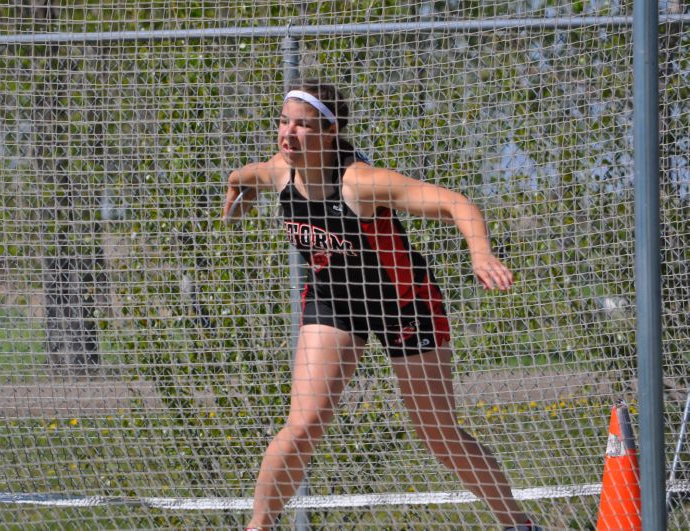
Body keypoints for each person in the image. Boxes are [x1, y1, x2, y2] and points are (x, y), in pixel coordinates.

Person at [223, 81, 540, 530]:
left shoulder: (361, 183)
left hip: (403, 303)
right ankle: (259, 526)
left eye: (303, 125)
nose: (288, 133)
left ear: (330, 131)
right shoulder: (279, 172)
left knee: (438, 435)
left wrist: (481, 254)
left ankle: (517, 523)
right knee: (302, 427)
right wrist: (235, 200)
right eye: (283, 121)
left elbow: (455, 203)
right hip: (335, 303)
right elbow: (239, 176)